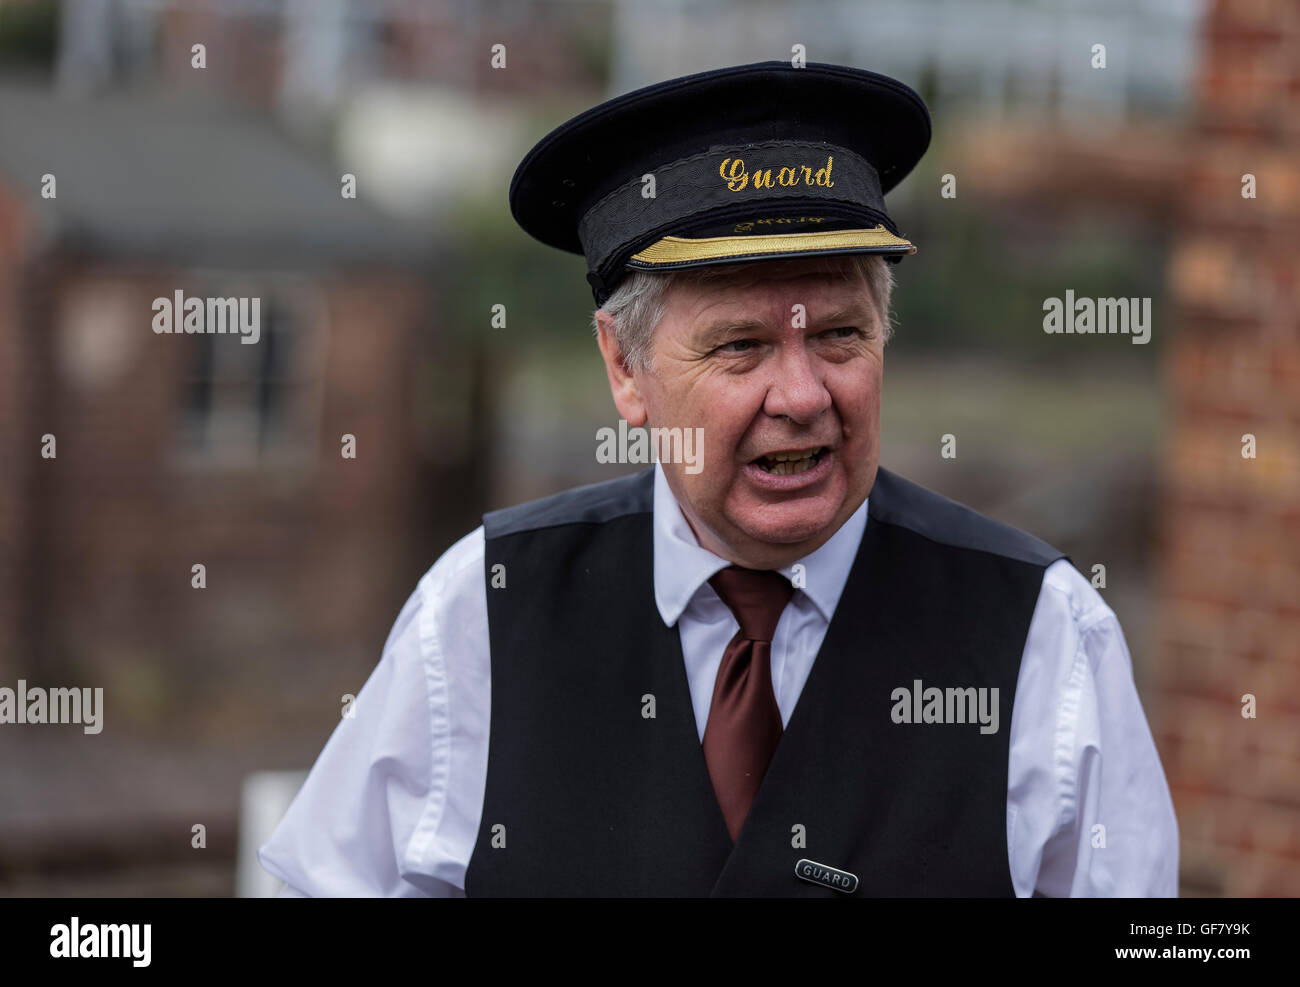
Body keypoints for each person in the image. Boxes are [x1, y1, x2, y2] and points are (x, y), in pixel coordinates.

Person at [259, 60, 1178, 897]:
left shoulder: (1044, 635)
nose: (803, 395)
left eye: (840, 335)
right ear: (625, 368)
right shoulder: (483, 609)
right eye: (741, 345)